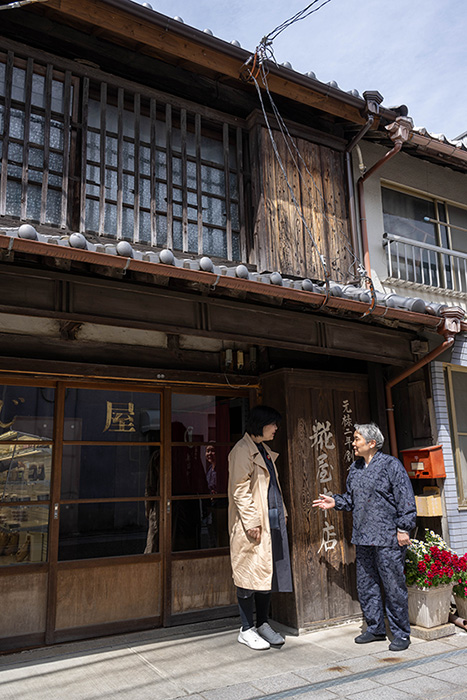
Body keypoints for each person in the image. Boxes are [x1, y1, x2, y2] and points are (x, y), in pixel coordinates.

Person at [313, 422, 416, 652]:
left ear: (372, 443)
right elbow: (351, 499)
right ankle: (376, 628)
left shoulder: (391, 465)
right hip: (363, 537)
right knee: (367, 584)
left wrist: (403, 528)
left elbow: (405, 499)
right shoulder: (356, 468)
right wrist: (335, 501)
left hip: (389, 537)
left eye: (357, 438)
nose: (353, 443)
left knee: (393, 585)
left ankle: (401, 633)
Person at [228, 405, 292, 651]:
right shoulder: (241, 451)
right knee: (247, 575)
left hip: (270, 521)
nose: (276, 428)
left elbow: (274, 486)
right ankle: (246, 629)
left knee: (267, 573)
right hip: (252, 524)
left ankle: (263, 623)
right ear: (260, 424)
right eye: (272, 424)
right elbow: (239, 489)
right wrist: (252, 521)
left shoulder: (263, 450)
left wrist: (283, 512)